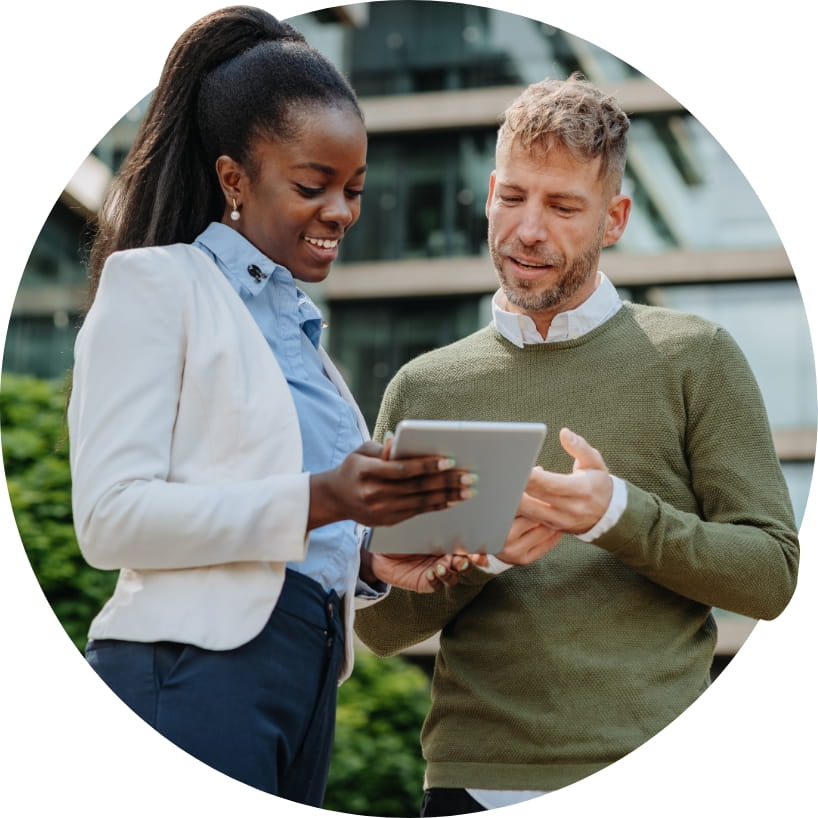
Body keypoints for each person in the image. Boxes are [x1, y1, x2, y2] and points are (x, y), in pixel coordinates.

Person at [67, 6, 487, 807]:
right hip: (192, 674)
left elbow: (290, 528)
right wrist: (326, 496)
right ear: (234, 179)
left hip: (305, 683)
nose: (341, 212)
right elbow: (110, 518)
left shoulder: (305, 343)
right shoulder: (157, 286)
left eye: (354, 190)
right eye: (312, 185)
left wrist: (370, 561)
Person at [354, 73, 800, 816]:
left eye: (564, 207)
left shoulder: (696, 358)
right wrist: (483, 555)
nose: (530, 229)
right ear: (490, 191)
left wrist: (615, 515)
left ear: (615, 218)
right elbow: (378, 626)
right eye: (514, 197)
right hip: (469, 781)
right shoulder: (421, 388)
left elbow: (773, 576)